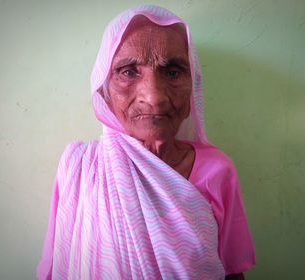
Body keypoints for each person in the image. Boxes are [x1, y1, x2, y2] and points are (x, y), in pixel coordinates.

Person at [37, 5, 255, 280]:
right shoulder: (79, 167)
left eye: (173, 72)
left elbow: (233, 272)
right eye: (128, 72)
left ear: (193, 88)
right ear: (104, 90)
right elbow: (57, 266)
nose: (154, 97)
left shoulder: (218, 170)